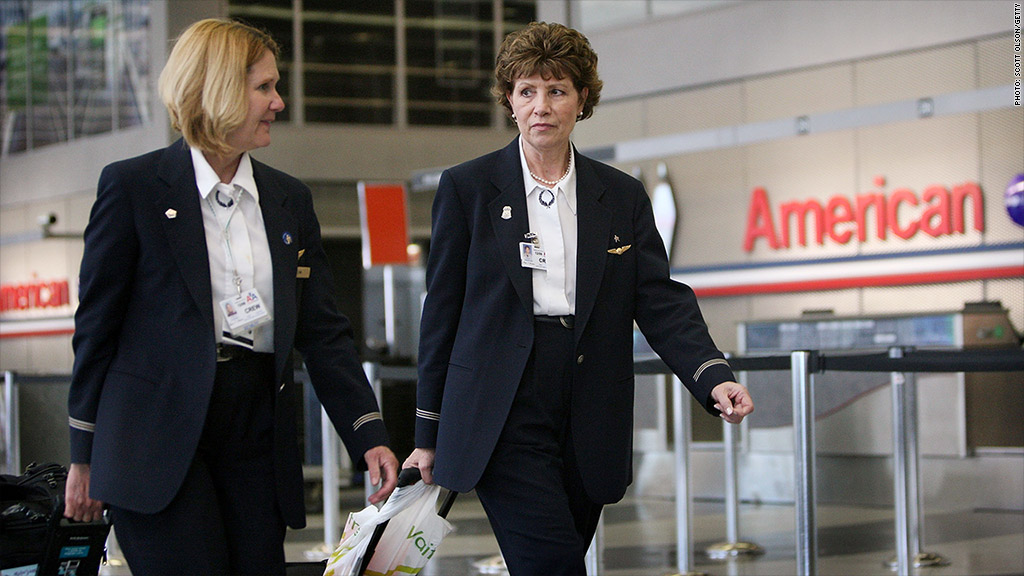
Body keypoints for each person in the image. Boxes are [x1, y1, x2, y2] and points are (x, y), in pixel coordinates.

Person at [403, 21, 754, 575]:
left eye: (557, 90)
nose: (541, 105)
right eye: (527, 92)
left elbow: (659, 300)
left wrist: (713, 375)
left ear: (581, 99)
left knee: (559, 555)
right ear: (510, 102)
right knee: (553, 564)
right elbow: (440, 312)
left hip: (590, 401)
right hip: (503, 404)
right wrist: (427, 431)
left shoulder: (619, 195)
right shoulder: (468, 188)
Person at [63, 18, 398, 575]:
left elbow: (324, 333)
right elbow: (95, 329)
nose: (278, 102)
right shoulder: (133, 189)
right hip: (155, 440)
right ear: (218, 88)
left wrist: (368, 433)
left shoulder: (289, 199)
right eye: (264, 87)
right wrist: (82, 454)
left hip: (256, 433)